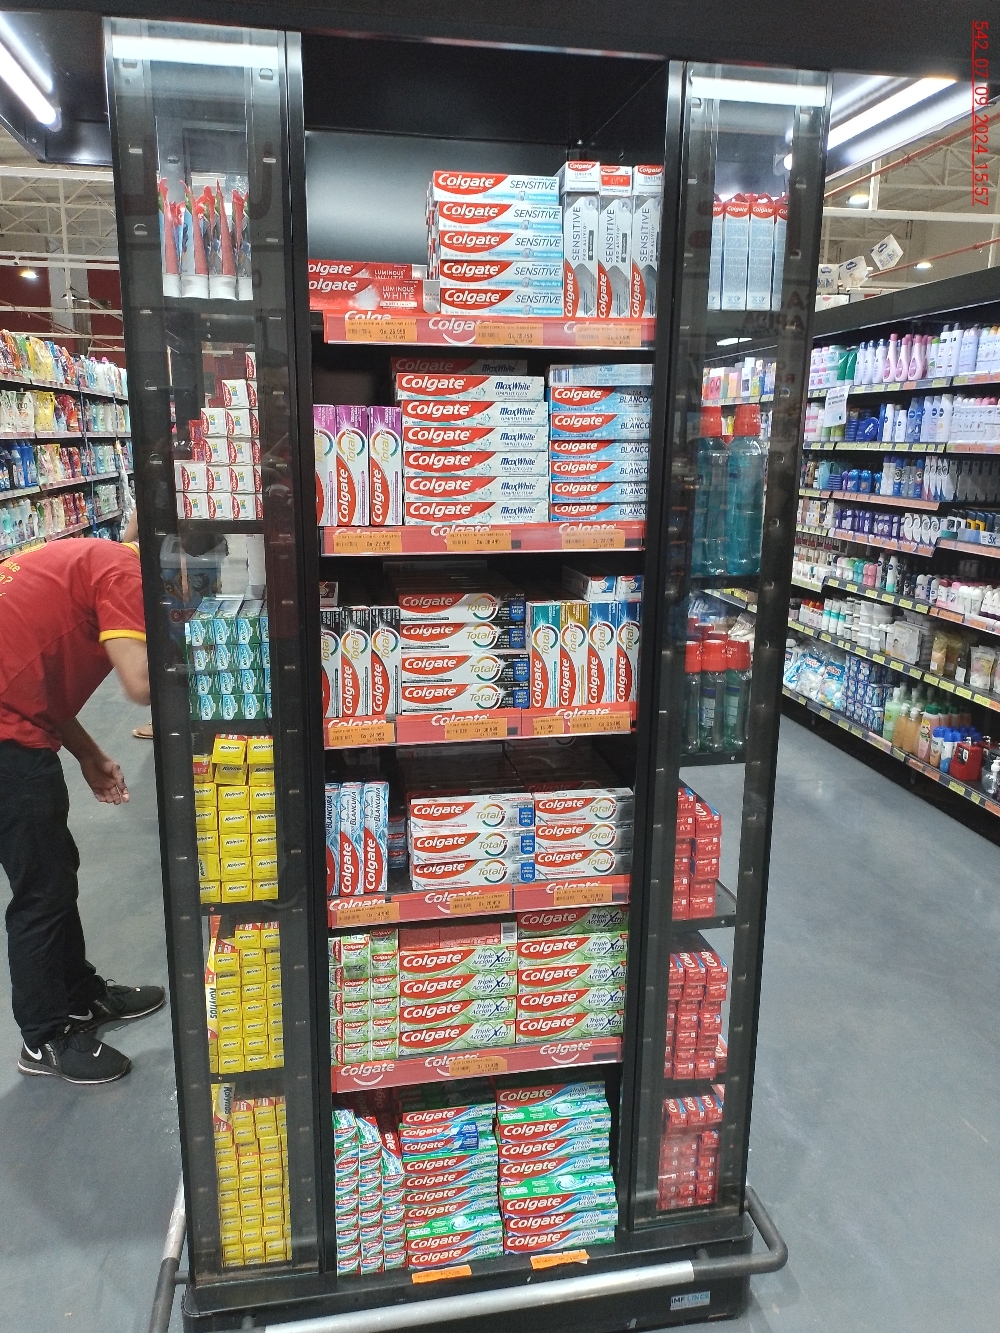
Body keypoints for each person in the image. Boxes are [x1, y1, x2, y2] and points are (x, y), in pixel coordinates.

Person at [0, 513, 164, 1085]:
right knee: (41, 889)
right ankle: (44, 1037)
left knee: (55, 868)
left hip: (16, 719)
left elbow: (35, 674)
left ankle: (80, 995)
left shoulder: (92, 558)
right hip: (6, 739)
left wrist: (88, 754)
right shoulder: (124, 574)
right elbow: (140, 683)